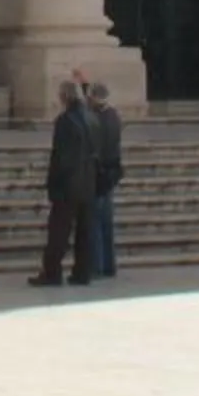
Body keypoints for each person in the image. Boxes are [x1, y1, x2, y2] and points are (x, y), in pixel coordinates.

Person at [28, 79, 99, 289]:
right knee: (84, 230)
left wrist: (53, 184)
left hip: (69, 184)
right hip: (88, 181)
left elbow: (60, 157)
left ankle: (52, 272)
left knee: (59, 231)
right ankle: (82, 272)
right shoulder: (92, 118)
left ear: (64, 97)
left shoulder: (65, 121)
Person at [89, 80, 124, 280]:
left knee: (95, 220)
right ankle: (109, 264)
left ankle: (98, 264)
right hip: (111, 173)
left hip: (99, 173)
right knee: (106, 221)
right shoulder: (114, 116)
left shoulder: (97, 120)